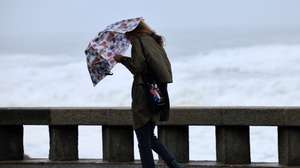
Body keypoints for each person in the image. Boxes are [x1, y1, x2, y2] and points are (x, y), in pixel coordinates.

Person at [114, 20, 183, 168]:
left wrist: (122, 60)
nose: (126, 37)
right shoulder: (153, 41)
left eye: (127, 34)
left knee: (143, 141)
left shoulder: (138, 41)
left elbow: (138, 67)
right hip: (156, 94)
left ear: (133, 31)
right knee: (150, 137)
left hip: (144, 96)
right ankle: (174, 164)